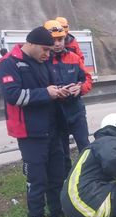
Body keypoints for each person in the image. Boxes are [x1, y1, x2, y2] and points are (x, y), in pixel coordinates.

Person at [0, 26, 69, 217]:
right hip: (30, 133)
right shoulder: (9, 64)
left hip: (53, 128)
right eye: (45, 49)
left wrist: (61, 91)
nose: (48, 54)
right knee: (37, 180)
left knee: (57, 175)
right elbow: (14, 96)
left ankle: (57, 214)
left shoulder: (43, 62)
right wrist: (47, 93)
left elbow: (49, 90)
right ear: (31, 44)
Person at [44, 19, 92, 175]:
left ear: (65, 38)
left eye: (60, 39)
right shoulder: (42, 61)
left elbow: (87, 79)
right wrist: (57, 91)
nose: (57, 43)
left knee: (85, 147)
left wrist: (80, 88)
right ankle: (66, 180)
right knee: (62, 152)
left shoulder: (74, 58)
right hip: (56, 113)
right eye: (54, 40)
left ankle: (88, 177)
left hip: (76, 111)